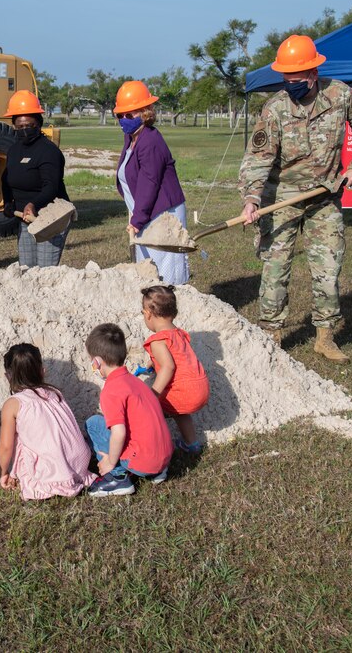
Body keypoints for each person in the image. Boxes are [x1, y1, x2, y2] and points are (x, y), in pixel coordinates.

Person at [239, 35, 352, 363]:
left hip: (324, 197)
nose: (290, 85)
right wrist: (251, 199)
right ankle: (271, 335)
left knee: (328, 268)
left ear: (313, 74)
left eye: (296, 80)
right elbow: (258, 158)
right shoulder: (275, 108)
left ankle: (325, 337)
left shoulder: (341, 95)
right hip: (281, 197)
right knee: (275, 269)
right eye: (285, 80)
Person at [83, 323, 172, 497]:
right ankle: (156, 471)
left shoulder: (111, 391)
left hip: (144, 461)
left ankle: (117, 477)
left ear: (97, 362)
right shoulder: (136, 382)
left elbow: (119, 433)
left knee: (93, 423)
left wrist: (109, 461)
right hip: (165, 456)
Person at [114, 80, 189, 285]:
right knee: (147, 269)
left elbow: (150, 184)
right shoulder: (131, 138)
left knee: (165, 273)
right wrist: (136, 216)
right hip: (144, 214)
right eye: (120, 115)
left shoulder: (150, 141)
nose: (124, 119)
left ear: (145, 112)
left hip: (163, 214)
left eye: (129, 115)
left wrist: (137, 219)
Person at [0, 343, 95, 500]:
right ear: (42, 370)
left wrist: (4, 473)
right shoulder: (55, 393)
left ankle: (39, 480)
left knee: (20, 439)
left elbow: (6, 446)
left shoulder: (13, 404)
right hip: (80, 464)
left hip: (53, 472)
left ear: (8, 375)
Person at [0, 90, 71, 266]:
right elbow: (5, 178)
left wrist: (33, 204)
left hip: (51, 218)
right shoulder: (14, 150)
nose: (24, 129)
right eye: (20, 126)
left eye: (29, 125)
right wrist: (8, 202)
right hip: (26, 218)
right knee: (27, 269)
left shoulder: (48, 151)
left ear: (38, 124)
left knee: (45, 271)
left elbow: (50, 187)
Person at [140, 285, 209, 454]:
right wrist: (152, 362)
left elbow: (168, 366)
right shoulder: (179, 334)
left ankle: (155, 445)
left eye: (143, 313)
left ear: (148, 314)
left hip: (183, 393)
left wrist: (154, 393)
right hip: (200, 389)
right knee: (180, 412)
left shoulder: (157, 341)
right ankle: (191, 443)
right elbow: (176, 356)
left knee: (148, 408)